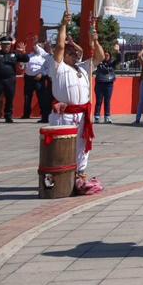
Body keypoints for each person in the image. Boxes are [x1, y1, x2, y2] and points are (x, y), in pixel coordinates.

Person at [47, 11, 104, 185]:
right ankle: (59, 176)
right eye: (71, 52)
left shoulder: (83, 67)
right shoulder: (58, 67)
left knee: (82, 146)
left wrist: (94, 40)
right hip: (64, 114)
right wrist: (64, 24)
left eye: (76, 52)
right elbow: (60, 47)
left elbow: (100, 57)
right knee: (61, 146)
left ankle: (80, 173)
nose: (75, 54)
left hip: (82, 115)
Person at [0, 35, 28, 123]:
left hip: (10, 80)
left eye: (8, 44)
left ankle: (8, 116)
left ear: (10, 45)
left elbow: (26, 59)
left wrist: (23, 52)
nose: (6, 46)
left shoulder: (14, 54)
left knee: (9, 98)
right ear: (1, 45)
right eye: (4, 44)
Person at [21, 40, 52, 121]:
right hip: (28, 78)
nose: (35, 48)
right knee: (27, 97)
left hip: (39, 78)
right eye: (34, 46)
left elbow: (48, 68)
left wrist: (42, 74)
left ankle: (44, 116)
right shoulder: (29, 56)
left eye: (37, 46)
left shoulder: (45, 57)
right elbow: (23, 65)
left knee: (41, 97)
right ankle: (26, 114)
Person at [93, 50, 117, 123]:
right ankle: (97, 117)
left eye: (107, 55)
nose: (106, 57)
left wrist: (117, 51)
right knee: (98, 101)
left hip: (109, 84)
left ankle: (107, 117)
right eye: (105, 55)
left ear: (110, 56)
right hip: (99, 84)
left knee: (107, 101)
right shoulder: (99, 63)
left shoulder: (112, 64)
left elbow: (118, 59)